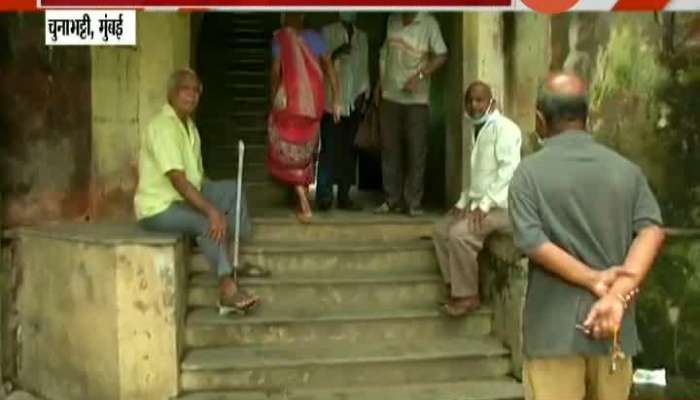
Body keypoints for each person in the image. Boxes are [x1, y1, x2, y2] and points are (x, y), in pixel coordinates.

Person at [508, 72, 666, 400]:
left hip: (552, 337)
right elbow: (652, 231)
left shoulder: (528, 174)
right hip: (614, 333)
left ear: (540, 119)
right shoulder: (626, 171)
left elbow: (532, 242)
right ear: (588, 115)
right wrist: (616, 295)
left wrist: (594, 280)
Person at [135, 68, 266, 315]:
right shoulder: (164, 127)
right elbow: (178, 181)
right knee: (207, 222)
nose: (192, 95)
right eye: (186, 89)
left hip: (183, 197)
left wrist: (216, 195)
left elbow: (197, 177)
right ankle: (227, 291)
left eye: (196, 90)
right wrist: (212, 211)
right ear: (172, 93)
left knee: (233, 190)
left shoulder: (190, 128)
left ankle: (232, 256)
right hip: (159, 207)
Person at [433, 81, 522, 317]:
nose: (474, 105)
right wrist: (463, 203)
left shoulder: (505, 129)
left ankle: (467, 296)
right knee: (442, 229)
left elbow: (508, 172)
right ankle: (455, 286)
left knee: (460, 234)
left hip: (501, 207)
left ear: (490, 101)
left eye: (479, 100)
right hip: (481, 204)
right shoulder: (477, 128)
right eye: (470, 100)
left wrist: (483, 205)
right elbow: (478, 179)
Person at [267, 12, 341, 223]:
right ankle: (303, 198)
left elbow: (275, 71)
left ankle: (303, 201)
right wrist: (336, 100)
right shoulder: (316, 38)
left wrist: (274, 96)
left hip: (291, 100)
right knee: (306, 151)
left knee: (287, 151)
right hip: (314, 102)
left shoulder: (280, 37)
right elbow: (329, 69)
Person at [374, 12, 447, 217]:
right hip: (390, 97)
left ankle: (413, 203)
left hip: (417, 100)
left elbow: (441, 54)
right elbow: (385, 54)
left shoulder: (429, 22)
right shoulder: (392, 19)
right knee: (389, 150)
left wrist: (421, 75)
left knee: (416, 151)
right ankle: (391, 200)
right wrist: (379, 85)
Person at [315, 12, 370, 211]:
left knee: (349, 151)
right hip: (331, 102)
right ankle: (324, 195)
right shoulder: (327, 32)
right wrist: (337, 52)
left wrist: (364, 98)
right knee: (329, 149)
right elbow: (321, 63)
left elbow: (364, 69)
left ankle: (345, 196)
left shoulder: (362, 37)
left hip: (354, 101)